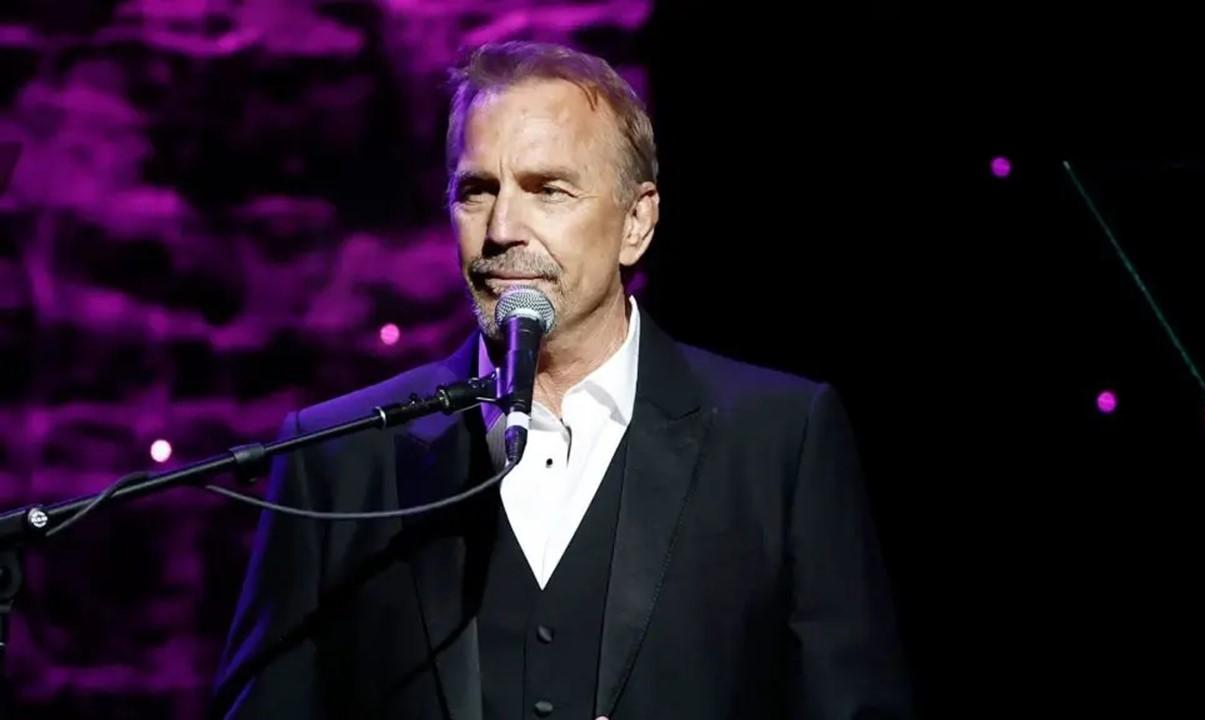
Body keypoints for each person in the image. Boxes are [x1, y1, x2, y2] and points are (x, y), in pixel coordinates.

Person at [211, 41, 911, 719]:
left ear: (636, 222)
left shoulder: (779, 442)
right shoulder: (338, 456)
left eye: (549, 191)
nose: (503, 229)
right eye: (476, 192)